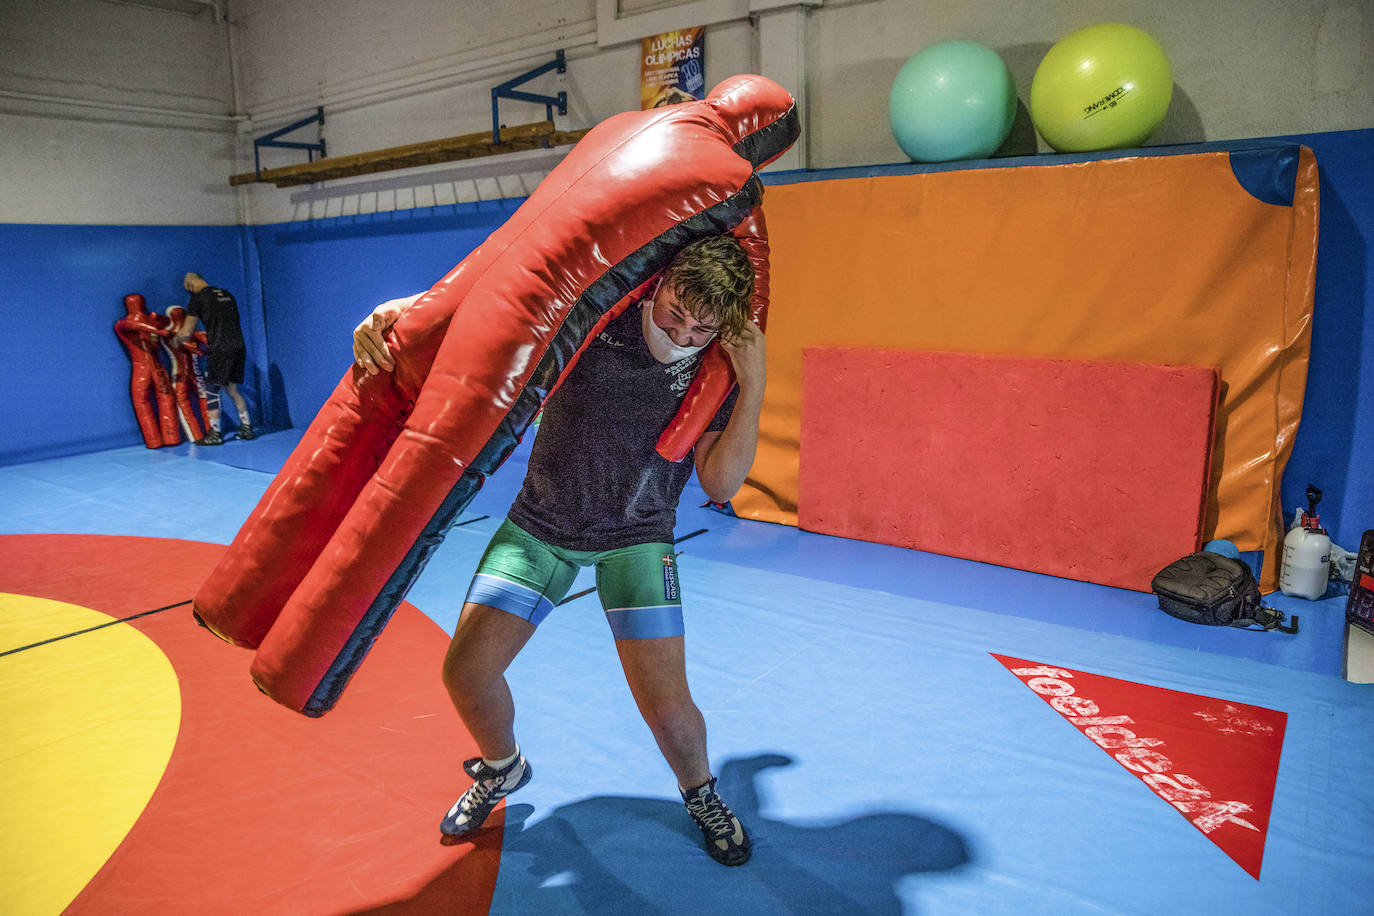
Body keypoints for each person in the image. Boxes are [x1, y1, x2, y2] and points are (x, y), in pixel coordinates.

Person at [352, 235, 766, 866]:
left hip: (638, 533)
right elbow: (500, 301)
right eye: (673, 313)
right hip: (542, 522)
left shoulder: (717, 372)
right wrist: (401, 311)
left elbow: (721, 484)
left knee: (668, 709)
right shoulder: (598, 312)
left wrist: (755, 381)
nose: (681, 334)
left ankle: (701, 792)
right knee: (466, 672)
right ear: (659, 285)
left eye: (699, 328)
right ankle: (502, 768)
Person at [175, 272, 256, 444]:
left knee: (212, 390)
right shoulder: (226, 294)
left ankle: (215, 434)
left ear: (190, 285)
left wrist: (174, 341)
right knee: (233, 390)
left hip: (220, 348)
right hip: (238, 346)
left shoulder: (198, 299)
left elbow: (186, 332)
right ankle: (247, 428)